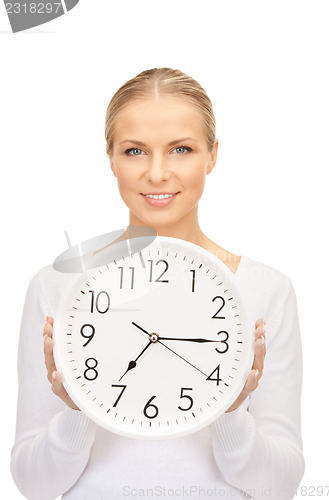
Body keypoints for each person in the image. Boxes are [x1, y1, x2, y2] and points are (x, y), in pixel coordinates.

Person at [10, 68, 305, 500]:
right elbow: (33, 485)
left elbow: (279, 487)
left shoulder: (267, 290)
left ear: (212, 155)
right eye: (135, 151)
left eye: (181, 149)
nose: (157, 173)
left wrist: (230, 409)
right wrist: (78, 410)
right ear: (110, 158)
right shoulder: (56, 287)